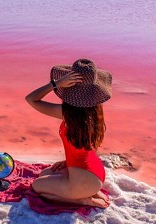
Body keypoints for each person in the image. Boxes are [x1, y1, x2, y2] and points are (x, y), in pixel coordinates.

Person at [25, 58, 112, 208]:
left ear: (69, 86)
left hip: (84, 179)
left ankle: (83, 199)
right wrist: (67, 162)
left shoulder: (68, 114)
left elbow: (31, 99)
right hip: (93, 170)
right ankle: (88, 191)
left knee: (37, 186)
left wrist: (55, 84)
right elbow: (84, 147)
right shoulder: (94, 112)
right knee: (43, 174)